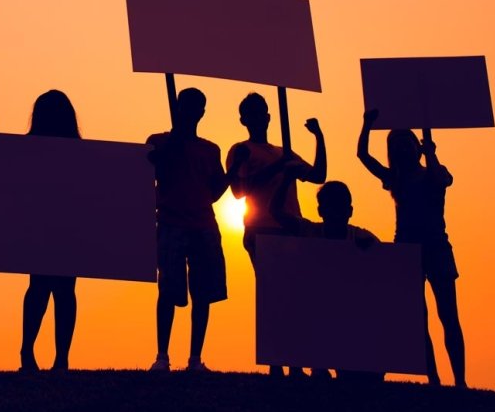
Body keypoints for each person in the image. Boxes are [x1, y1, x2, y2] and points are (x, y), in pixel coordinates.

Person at [358, 109, 466, 388]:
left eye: (407, 141)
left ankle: (460, 380)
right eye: (396, 144)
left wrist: (431, 153)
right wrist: (367, 124)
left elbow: (442, 180)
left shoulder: (434, 173)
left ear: (416, 147)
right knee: (419, 318)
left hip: (437, 248)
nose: (402, 147)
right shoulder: (395, 179)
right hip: (407, 251)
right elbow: (364, 157)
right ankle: (433, 378)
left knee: (448, 315)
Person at [226, 94, 326, 377]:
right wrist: (278, 167)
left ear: (269, 117)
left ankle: (294, 360)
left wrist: (319, 137)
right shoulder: (241, 150)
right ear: (244, 120)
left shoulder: (284, 152)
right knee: (272, 295)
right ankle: (276, 361)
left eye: (262, 113)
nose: (259, 118)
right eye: (252, 114)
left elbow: (318, 175)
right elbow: (238, 191)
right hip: (261, 228)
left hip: (291, 228)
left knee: (294, 296)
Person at [147, 88, 239, 372]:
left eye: (195, 107)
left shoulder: (210, 150)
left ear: (202, 112)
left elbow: (213, 192)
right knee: (168, 289)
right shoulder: (158, 142)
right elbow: (152, 170)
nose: (190, 112)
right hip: (171, 222)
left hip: (203, 224)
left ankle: (195, 358)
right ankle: (162, 356)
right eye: (185, 106)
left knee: (203, 292)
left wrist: (232, 174)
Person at [268, 171, 383, 382]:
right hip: (315, 318)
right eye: (331, 207)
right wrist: (286, 178)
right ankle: (319, 365)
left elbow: (386, 269)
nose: (336, 213)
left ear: (349, 211)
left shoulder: (362, 238)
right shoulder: (309, 231)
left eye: (339, 207)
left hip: (350, 322)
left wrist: (370, 252)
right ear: (321, 211)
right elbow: (275, 212)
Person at [19, 90, 81, 372]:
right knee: (52, 289)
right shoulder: (34, 148)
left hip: (59, 224)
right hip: (49, 224)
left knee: (49, 288)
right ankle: (47, 355)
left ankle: (51, 355)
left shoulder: (79, 152)